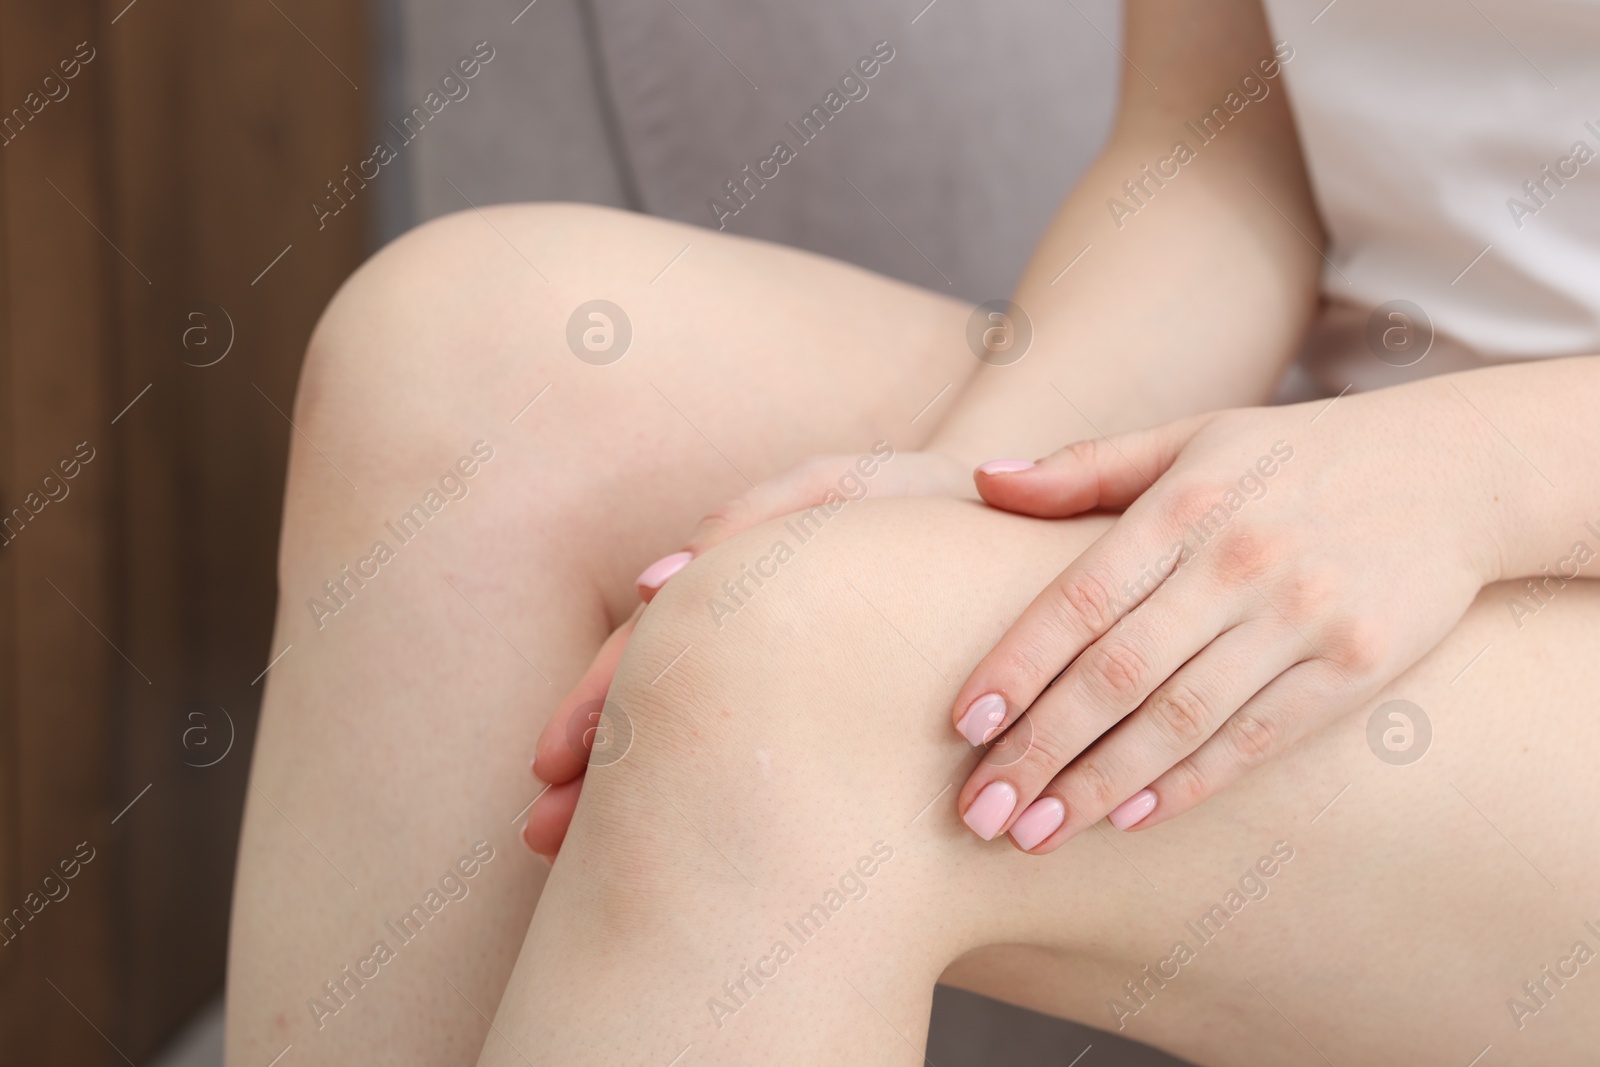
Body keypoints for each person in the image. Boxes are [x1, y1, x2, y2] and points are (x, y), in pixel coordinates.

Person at [225, 0, 1600, 1063]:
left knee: (803, 665)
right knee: (464, 366)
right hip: (1351, 439)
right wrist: (962, 478)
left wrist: (1466, 478)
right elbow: (1226, 142)